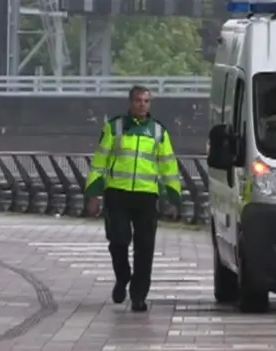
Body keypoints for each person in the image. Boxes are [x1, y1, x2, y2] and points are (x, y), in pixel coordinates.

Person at [84, 85, 182, 312]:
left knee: (145, 248)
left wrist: (173, 198)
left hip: (146, 196)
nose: (142, 105)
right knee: (118, 240)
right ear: (131, 102)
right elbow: (100, 161)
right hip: (117, 194)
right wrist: (93, 194)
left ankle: (138, 296)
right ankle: (122, 276)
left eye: (146, 101)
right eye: (138, 100)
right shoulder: (115, 127)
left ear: (150, 104)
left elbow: (168, 166)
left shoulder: (159, 132)